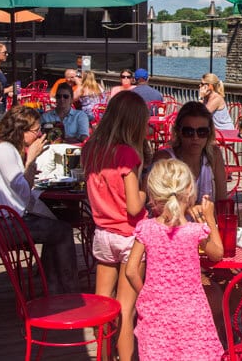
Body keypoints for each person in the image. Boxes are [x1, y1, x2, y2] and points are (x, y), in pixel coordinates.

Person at [0, 105, 78, 293]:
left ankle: (55, 289)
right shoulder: (5, 149)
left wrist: (28, 168)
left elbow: (17, 187)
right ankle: (68, 292)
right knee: (62, 230)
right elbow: (23, 194)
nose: (39, 134)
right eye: (36, 130)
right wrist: (31, 158)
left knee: (54, 226)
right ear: (21, 130)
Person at [125, 158, 224, 360]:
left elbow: (131, 270)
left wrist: (146, 294)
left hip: (157, 312)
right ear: (189, 191)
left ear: (153, 194)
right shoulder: (194, 231)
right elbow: (217, 253)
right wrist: (210, 219)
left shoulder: (146, 228)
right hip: (191, 313)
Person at [82, 90, 150, 361]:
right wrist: (146, 191)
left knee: (102, 303)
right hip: (129, 237)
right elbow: (134, 207)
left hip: (102, 234)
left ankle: (102, 355)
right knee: (125, 308)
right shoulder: (127, 155)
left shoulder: (91, 149)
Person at [150, 102, 226, 204]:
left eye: (202, 132)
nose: (195, 137)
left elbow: (222, 202)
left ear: (209, 133)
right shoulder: (165, 159)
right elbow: (158, 205)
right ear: (178, 132)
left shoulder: (214, 154)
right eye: (188, 132)